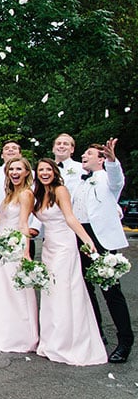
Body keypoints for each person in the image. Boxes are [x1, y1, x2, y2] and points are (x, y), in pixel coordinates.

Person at [34, 158, 107, 366]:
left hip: (65, 247)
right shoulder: (39, 194)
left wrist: (87, 240)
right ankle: (51, 341)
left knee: (64, 292)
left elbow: (70, 218)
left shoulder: (60, 190)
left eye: (48, 169)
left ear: (55, 172)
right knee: (51, 293)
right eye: (41, 170)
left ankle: (67, 342)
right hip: (49, 248)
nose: (45, 173)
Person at [73, 140, 133, 363]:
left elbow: (118, 180)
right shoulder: (80, 182)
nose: (84, 156)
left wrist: (112, 160)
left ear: (100, 159)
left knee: (111, 291)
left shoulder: (108, 178)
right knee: (86, 289)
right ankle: (96, 331)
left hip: (101, 240)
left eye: (89, 153)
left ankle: (125, 341)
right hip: (80, 237)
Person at [0, 157, 39, 353]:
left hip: (14, 246)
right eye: (11, 169)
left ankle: (22, 336)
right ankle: (5, 331)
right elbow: (3, 218)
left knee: (16, 290)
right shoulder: (10, 194)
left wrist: (25, 252)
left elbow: (23, 224)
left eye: (19, 169)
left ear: (27, 172)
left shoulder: (26, 194)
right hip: (2, 245)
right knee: (3, 290)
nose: (14, 172)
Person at [0, 139, 22, 214]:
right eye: (6, 148)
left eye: (14, 148)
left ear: (20, 154)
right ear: (2, 155)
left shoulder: (32, 174)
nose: (10, 150)